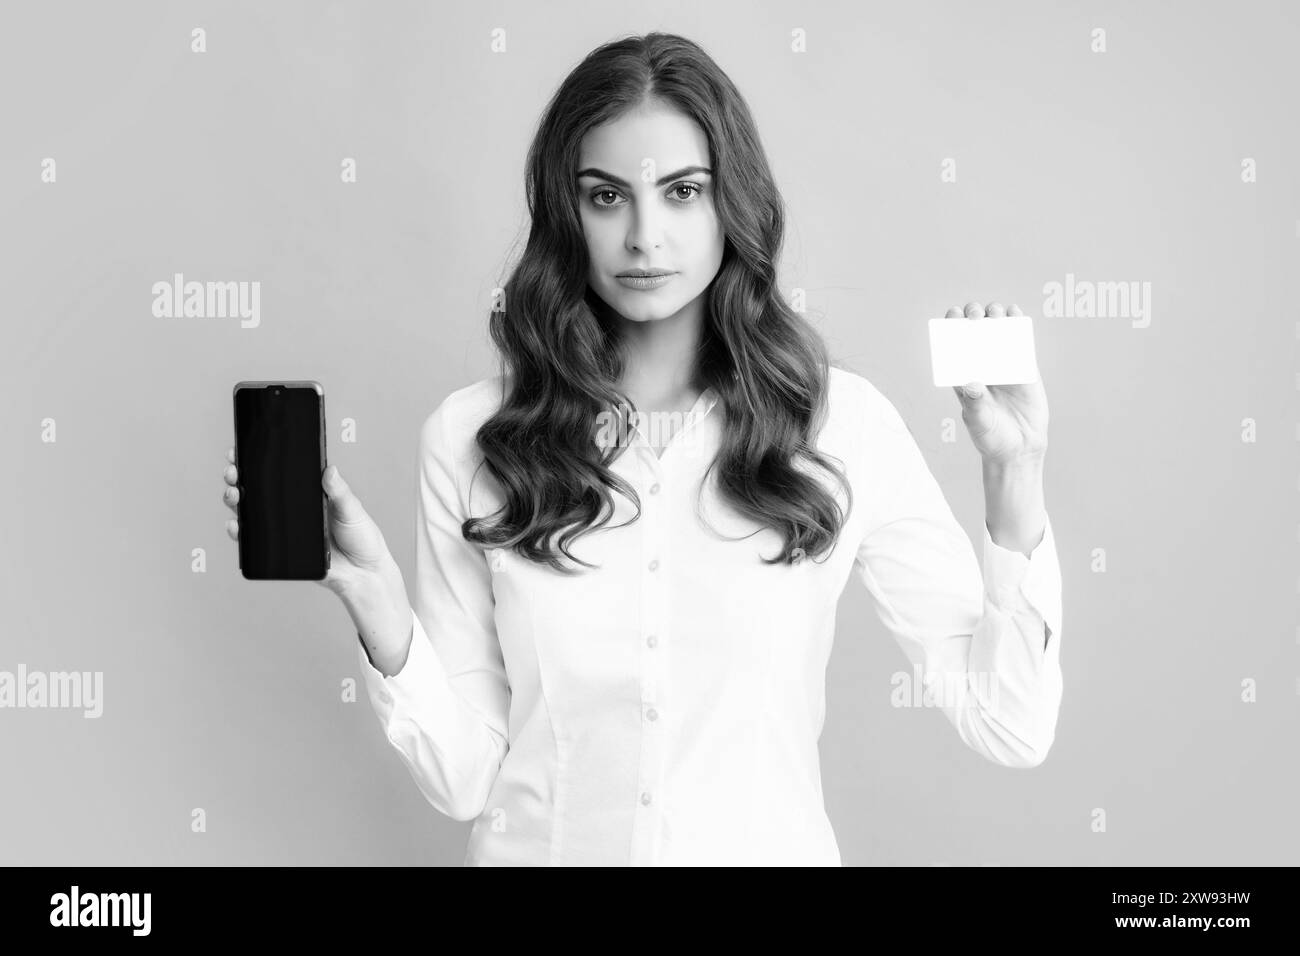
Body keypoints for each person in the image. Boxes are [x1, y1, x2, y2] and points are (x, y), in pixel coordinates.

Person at [222, 32, 1061, 866]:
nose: (645, 237)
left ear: (732, 200)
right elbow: (469, 781)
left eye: (683, 191)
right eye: (607, 196)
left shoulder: (844, 428)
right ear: (566, 211)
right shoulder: (470, 439)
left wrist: (1013, 474)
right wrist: (381, 614)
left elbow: (1010, 723)